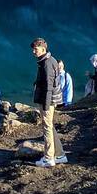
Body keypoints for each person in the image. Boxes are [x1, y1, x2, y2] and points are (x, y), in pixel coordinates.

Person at [31, 37, 68, 167]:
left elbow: (48, 87)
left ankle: (48, 158)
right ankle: (60, 154)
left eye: (35, 49)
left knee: (46, 127)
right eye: (33, 49)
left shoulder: (47, 63)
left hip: (48, 101)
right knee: (50, 126)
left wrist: (46, 105)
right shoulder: (48, 61)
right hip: (50, 100)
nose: (33, 52)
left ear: (43, 49)